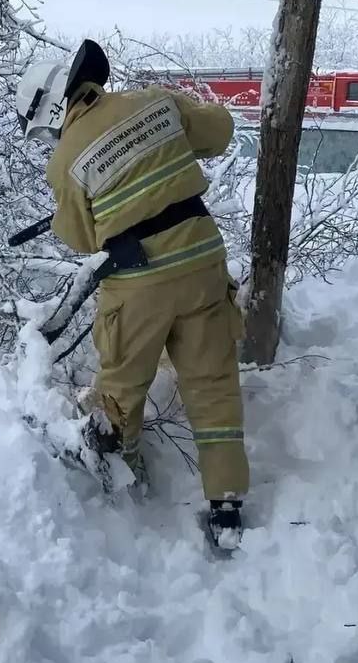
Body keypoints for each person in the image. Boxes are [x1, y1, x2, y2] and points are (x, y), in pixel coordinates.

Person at [16, 40, 249, 549]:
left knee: (121, 387)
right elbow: (219, 131)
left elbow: (81, 238)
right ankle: (227, 506)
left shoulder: (64, 163)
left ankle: (122, 491)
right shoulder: (154, 101)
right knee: (212, 383)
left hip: (138, 284)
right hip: (201, 259)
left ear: (55, 107)